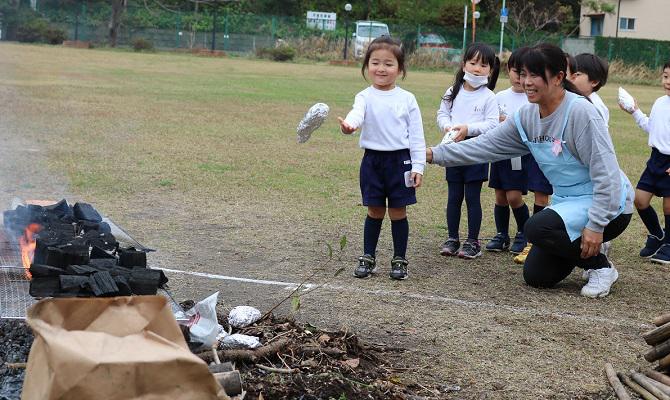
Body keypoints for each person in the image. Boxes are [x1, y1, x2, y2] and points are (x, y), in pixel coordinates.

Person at [426, 43, 634, 298]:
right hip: (568, 204)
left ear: (559, 77)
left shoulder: (581, 112)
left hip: (612, 205)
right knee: (537, 276)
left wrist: (596, 225)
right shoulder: (526, 116)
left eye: (535, 75)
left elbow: (607, 175)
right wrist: (434, 154)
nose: (526, 82)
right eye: (523, 74)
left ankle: (601, 266)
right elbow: (485, 146)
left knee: (535, 228)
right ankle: (591, 253)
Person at [338, 36, 426, 280]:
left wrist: (418, 166)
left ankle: (400, 259)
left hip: (400, 162)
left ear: (400, 68)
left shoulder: (407, 99)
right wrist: (349, 126)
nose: (381, 68)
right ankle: (368, 256)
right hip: (372, 162)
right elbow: (356, 114)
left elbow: (417, 136)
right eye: (375, 62)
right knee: (374, 210)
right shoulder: (364, 96)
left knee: (398, 212)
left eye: (388, 64)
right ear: (367, 66)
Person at [436, 42, 500, 259]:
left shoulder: (489, 97)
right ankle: (452, 238)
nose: (477, 69)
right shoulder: (452, 91)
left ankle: (473, 241)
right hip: (453, 149)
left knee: (472, 197)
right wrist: (448, 127)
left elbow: (492, 125)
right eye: (473, 63)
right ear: (464, 65)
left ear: (490, 70)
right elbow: (442, 114)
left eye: (483, 65)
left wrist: (468, 129)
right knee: (454, 196)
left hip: (477, 151)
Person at [620, 60, 670, 263]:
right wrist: (634, 111)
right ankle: (658, 236)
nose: (668, 81)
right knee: (640, 200)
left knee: (668, 208)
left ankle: (669, 245)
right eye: (666, 76)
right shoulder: (660, 102)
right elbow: (652, 127)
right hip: (656, 159)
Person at [486, 47, 531, 256]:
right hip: (498, 153)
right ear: (507, 70)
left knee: (514, 196)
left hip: (518, 155)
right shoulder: (498, 97)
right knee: (500, 196)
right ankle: (501, 234)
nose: (518, 77)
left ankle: (524, 232)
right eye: (515, 71)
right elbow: (490, 123)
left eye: (524, 73)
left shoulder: (532, 100)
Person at [569, 52, 612, 258]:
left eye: (576, 74)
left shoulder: (595, 107)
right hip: (580, 169)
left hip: (594, 168)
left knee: (595, 204)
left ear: (594, 81)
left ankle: (600, 250)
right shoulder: (576, 101)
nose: (570, 78)